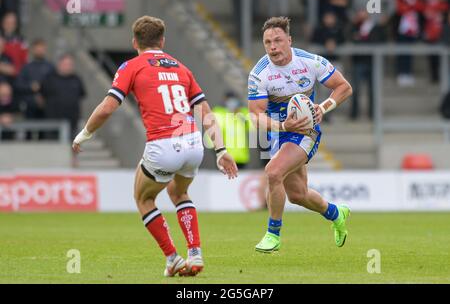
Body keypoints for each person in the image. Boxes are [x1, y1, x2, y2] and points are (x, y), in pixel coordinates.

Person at [72, 16, 238, 277]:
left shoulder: (132, 66)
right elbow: (204, 111)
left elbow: (107, 108)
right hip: (193, 143)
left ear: (134, 41)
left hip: (163, 144)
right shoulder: (182, 68)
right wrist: (221, 150)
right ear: (162, 40)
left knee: (144, 197)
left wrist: (85, 134)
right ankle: (195, 252)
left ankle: (173, 258)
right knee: (179, 194)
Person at [248, 17, 352, 253]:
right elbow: (255, 116)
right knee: (297, 195)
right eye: (267, 42)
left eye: (277, 40)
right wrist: (284, 126)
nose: (273, 47)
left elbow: (344, 86)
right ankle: (337, 214)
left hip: (307, 130)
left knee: (273, 172)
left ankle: (273, 234)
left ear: (289, 40)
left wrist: (322, 108)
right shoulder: (259, 74)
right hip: (281, 133)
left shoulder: (310, 62)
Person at [40, 53, 85, 140]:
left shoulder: (76, 79)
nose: (68, 67)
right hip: (53, 123)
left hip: (72, 123)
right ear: (59, 64)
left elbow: (81, 97)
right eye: (65, 64)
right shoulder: (49, 78)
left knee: (72, 148)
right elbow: (41, 97)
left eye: (70, 64)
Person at [15, 38, 54, 119]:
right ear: (32, 50)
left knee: (48, 130)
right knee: (29, 128)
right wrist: (31, 87)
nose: (39, 51)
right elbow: (18, 85)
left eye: (41, 49)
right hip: (30, 106)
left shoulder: (50, 67)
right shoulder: (26, 67)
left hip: (47, 106)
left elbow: (55, 85)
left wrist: (44, 96)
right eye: (37, 49)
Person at [212, 91, 252, 169]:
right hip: (224, 155)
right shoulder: (218, 112)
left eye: (234, 100)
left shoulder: (243, 112)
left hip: (241, 157)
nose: (232, 103)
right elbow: (213, 131)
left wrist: (239, 115)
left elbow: (252, 126)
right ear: (225, 100)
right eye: (229, 100)